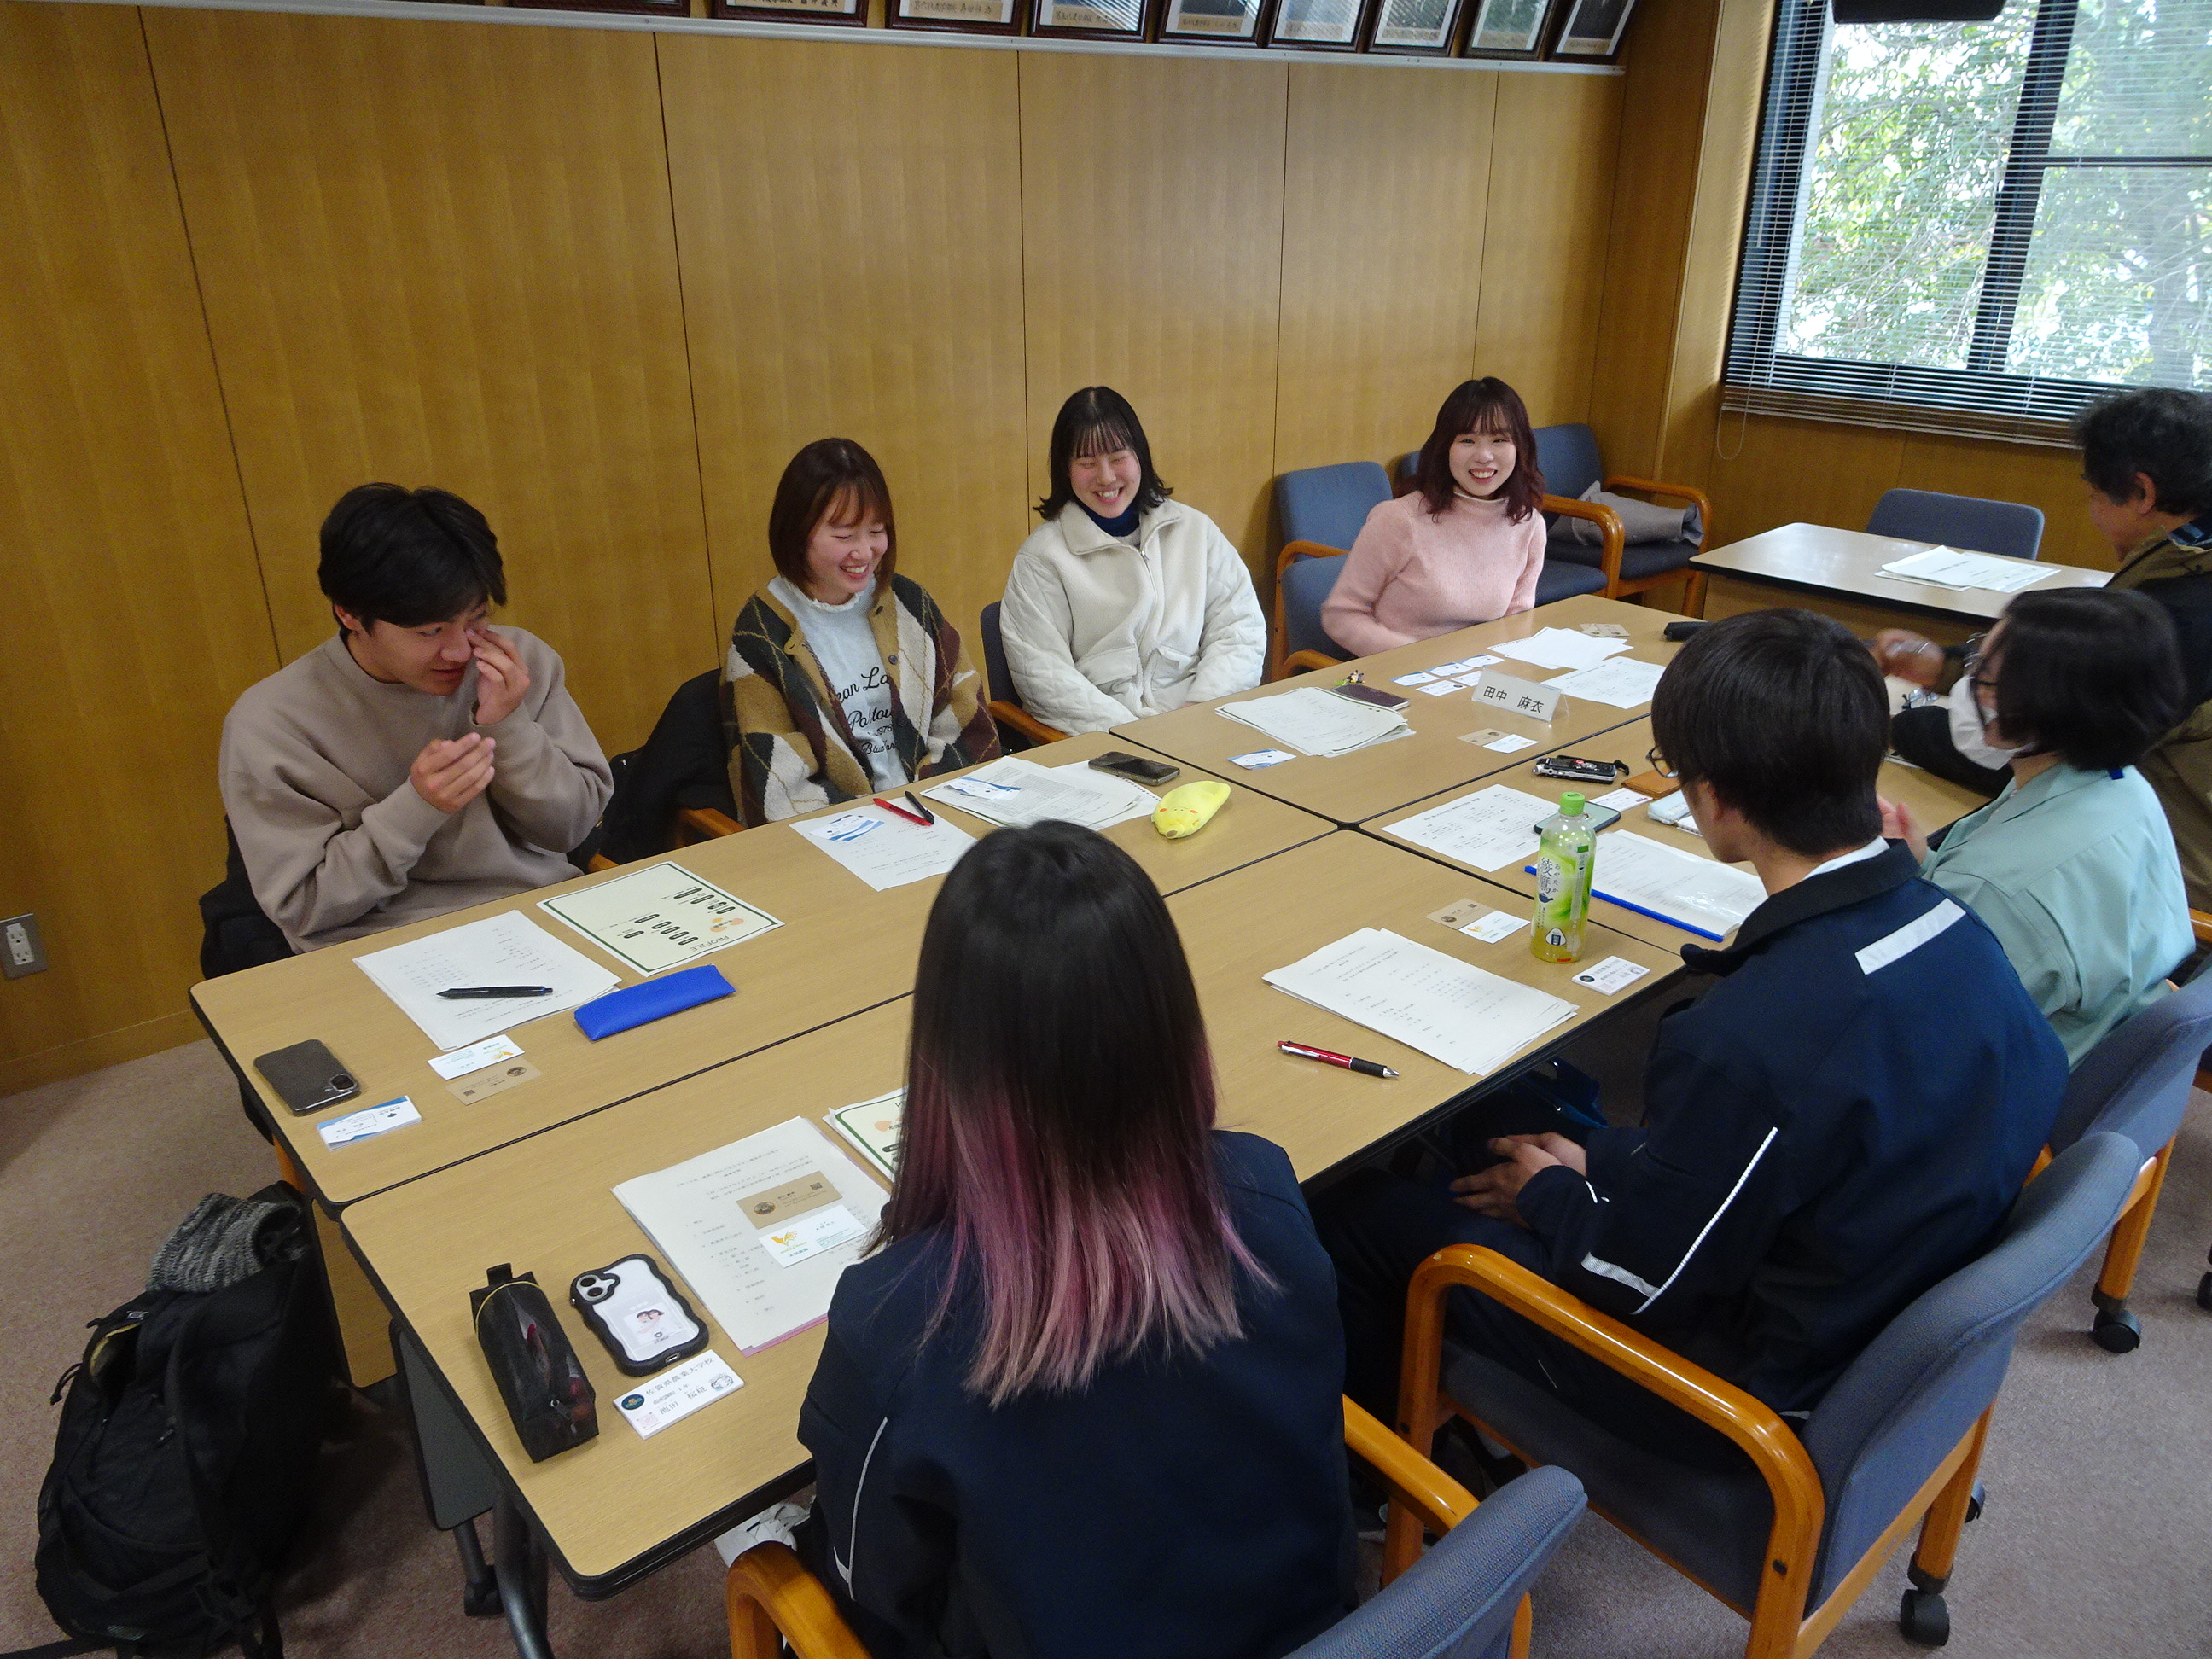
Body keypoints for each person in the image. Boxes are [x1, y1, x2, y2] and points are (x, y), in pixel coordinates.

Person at [1320, 609, 2066, 1464]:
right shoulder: (1957, 928)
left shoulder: (1754, 1033)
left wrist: (1555, 1198)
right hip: (1856, 1298)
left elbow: (1643, 1285)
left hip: (1738, 1402)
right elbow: (1777, 1148)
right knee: (1512, 1124)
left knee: (1360, 1213)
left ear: (1715, 799)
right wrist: (1598, 1167)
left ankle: (1392, 1483)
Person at [795, 822, 1353, 1658]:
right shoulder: (1265, 1192)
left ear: (948, 1062)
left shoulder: (898, 1324)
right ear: (1172, 1028)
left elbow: (874, 1586)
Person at [219, 483, 611, 953]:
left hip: (538, 915)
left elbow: (573, 829)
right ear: (349, 614)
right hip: (378, 947)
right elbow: (304, 906)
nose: (459, 650)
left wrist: (508, 727)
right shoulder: (273, 722)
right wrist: (418, 808)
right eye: (428, 630)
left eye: (475, 620)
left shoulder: (516, 664)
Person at [1873, 389, 2212, 903]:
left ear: (2142, 494)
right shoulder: (2183, 571)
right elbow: (2074, 669)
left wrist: (1913, 727)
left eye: (2095, 495)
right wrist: (1945, 665)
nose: (2092, 511)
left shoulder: (2179, 611)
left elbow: (2051, 745)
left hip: (2161, 869)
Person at [1880, 589, 2192, 1067]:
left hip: (1994, 1086)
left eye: (1985, 679)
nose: (1970, 689)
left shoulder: (1996, 888)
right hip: (2087, 1034)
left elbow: (1909, 1030)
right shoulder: (2117, 785)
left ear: (2050, 701)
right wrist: (1926, 866)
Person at [724, 439, 998, 824]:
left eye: (876, 531)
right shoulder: (761, 634)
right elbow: (776, 787)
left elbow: (963, 712)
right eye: (844, 536)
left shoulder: (906, 601)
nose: (866, 552)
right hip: (844, 833)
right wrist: (878, 824)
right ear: (797, 534)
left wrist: (933, 801)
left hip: (933, 810)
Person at [999, 387, 1266, 734]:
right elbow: (1044, 677)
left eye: (1117, 457)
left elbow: (1240, 629)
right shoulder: (1041, 559)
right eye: (1087, 462)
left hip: (1200, 721)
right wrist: (1134, 737)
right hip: (1103, 737)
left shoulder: (1195, 531)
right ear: (1066, 470)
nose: (1106, 477)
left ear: (1140, 456)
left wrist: (1200, 710)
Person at [1319, 377, 1547, 655]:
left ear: (1521, 447)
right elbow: (1340, 616)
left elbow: (1515, 627)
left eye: (1499, 440)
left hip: (1475, 678)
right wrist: (1417, 659)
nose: (1484, 456)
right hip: (1398, 672)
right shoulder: (1399, 519)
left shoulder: (1529, 524)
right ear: (1445, 448)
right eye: (1468, 440)